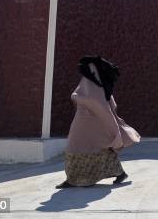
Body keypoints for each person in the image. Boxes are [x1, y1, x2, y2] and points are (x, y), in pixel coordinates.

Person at [56, 55, 141, 189]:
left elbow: (96, 102)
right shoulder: (93, 82)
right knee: (77, 146)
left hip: (93, 122)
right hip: (85, 121)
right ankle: (72, 179)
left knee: (88, 147)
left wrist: (77, 97)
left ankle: (118, 173)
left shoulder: (95, 84)